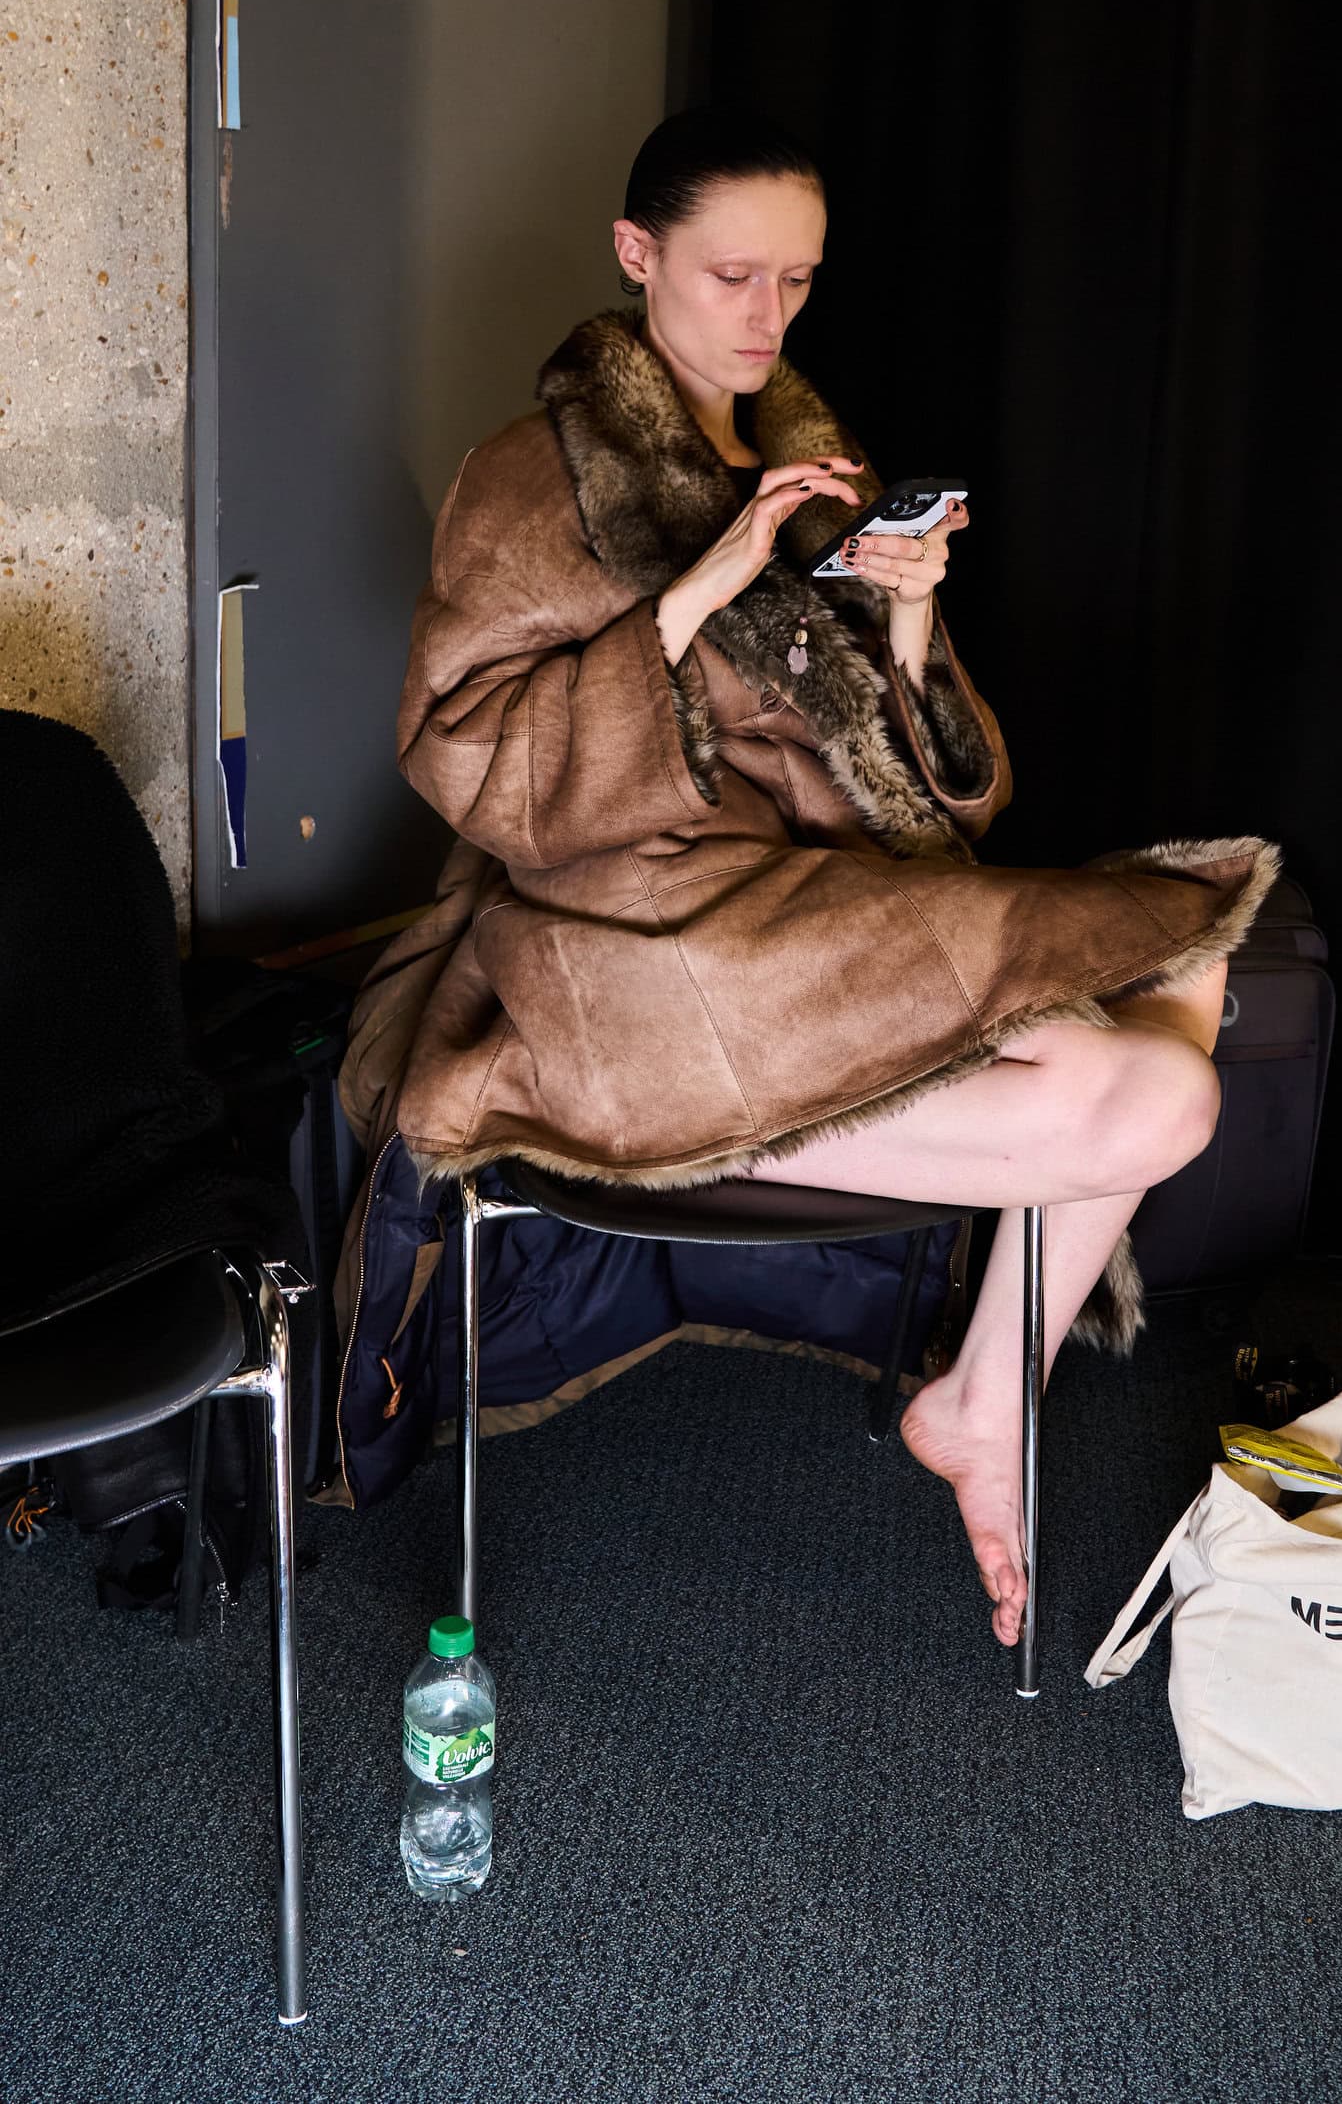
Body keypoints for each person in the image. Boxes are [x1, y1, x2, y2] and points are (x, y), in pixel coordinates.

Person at [380, 108, 1279, 1650]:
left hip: (811, 922)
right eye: (731, 274)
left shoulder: (812, 465)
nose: (764, 317)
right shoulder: (535, 479)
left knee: (1174, 1029)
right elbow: (470, 766)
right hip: (628, 937)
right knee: (1147, 1096)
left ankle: (984, 1392)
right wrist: (708, 587)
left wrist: (910, 624)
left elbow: (942, 794)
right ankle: (771, 1201)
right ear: (635, 254)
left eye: (794, 281)